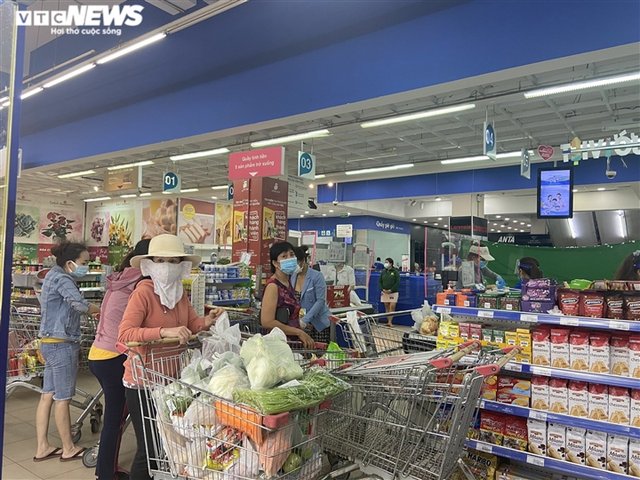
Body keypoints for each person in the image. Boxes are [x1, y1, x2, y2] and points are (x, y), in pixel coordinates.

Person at [117, 234, 224, 480]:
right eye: (160, 260)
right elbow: (125, 333)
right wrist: (164, 331)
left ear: (182, 265)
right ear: (149, 264)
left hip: (171, 382)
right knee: (150, 449)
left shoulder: (180, 293)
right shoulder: (143, 293)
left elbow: (192, 324)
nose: (167, 267)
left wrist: (207, 321)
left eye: (174, 261)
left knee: (168, 446)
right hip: (143, 382)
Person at [88, 239, 150, 480]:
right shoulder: (140, 283)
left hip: (98, 352)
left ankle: (105, 469)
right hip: (114, 355)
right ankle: (106, 473)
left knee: (115, 417)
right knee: (115, 418)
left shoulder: (121, 277)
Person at [35, 242, 100, 462]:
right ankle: (68, 448)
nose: (86, 266)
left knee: (47, 395)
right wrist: (100, 310)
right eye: (84, 262)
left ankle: (42, 446)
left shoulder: (52, 275)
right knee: (63, 398)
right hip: (62, 344)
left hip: (48, 342)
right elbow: (79, 304)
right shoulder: (63, 278)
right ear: (70, 262)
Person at [260, 242, 314, 349]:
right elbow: (267, 321)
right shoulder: (273, 286)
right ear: (275, 263)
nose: (290, 258)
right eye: (284, 256)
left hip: (291, 344)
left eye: (292, 254)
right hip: (278, 345)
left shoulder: (288, 282)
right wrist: (298, 332)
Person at [291, 246, 331, 343]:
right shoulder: (292, 276)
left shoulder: (317, 276)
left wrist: (305, 320)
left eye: (296, 263)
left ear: (303, 261)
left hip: (318, 324)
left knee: (318, 350)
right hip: (300, 325)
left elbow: (320, 301)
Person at [379, 258, 400, 326]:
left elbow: (397, 282)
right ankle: (388, 321)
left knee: (392, 306)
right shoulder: (383, 272)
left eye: (387, 262)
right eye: (385, 262)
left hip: (393, 292)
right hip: (384, 292)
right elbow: (380, 281)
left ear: (391, 263)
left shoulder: (395, 272)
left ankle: (390, 321)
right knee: (387, 306)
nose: (385, 264)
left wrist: (391, 290)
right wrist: (382, 289)